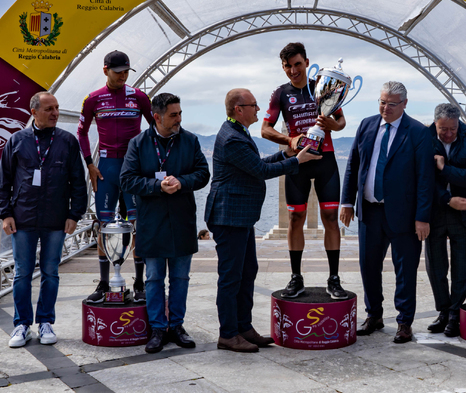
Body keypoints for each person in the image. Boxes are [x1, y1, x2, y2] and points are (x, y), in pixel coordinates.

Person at [205, 88, 319, 353]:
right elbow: (260, 170)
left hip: (240, 217)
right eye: (254, 105)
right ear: (239, 109)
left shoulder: (237, 132)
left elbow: (255, 163)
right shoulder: (232, 138)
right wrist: (297, 162)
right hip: (229, 216)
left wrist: (286, 154)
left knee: (247, 273)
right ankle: (228, 334)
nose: (258, 109)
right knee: (231, 278)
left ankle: (244, 328)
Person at [341, 81, 434, 344]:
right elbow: (353, 165)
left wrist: (422, 217)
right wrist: (347, 202)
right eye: (382, 102)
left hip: (405, 215)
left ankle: (404, 322)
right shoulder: (366, 125)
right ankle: (374, 315)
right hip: (369, 212)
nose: (386, 108)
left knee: (405, 270)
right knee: (368, 267)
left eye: (392, 104)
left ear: (405, 104)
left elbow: (425, 178)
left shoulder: (418, 132)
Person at [120, 93, 210, 353]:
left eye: (180, 113)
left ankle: (177, 326)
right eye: (173, 115)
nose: (179, 119)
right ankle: (158, 328)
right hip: (152, 222)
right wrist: (157, 186)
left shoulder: (190, 140)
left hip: (182, 219)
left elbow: (203, 174)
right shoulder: (138, 143)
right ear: (157, 117)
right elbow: (127, 180)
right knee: (154, 278)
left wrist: (182, 182)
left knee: (180, 278)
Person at [0, 92, 86, 348]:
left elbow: (78, 182)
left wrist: (74, 214)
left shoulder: (67, 141)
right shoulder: (17, 141)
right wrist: (5, 213)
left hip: (56, 219)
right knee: (22, 273)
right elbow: (3, 181)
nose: (55, 113)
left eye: (57, 108)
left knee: (50, 273)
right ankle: (21, 324)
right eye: (49, 109)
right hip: (22, 218)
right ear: (34, 112)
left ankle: (45, 321)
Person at [261, 43, 348, 300]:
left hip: (325, 160)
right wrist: (289, 139)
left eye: (297, 64)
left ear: (307, 62)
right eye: (287, 66)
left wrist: (334, 125)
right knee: (295, 219)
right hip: (296, 162)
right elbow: (265, 129)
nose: (293, 70)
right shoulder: (280, 93)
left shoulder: (322, 86)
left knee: (330, 218)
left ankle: (334, 279)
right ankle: (296, 277)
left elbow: (341, 121)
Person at [77, 50, 154, 304]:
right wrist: (90, 164)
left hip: (133, 167)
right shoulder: (93, 99)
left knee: (138, 223)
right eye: (118, 72)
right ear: (105, 70)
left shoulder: (139, 96)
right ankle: (103, 283)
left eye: (126, 72)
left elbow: (155, 128)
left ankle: (140, 283)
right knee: (104, 224)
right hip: (107, 166)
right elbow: (81, 132)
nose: (123, 77)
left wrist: (148, 160)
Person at [424, 103, 466, 338]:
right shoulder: (424, 138)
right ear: (435, 124)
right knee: (435, 265)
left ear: (459, 124)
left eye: (453, 129)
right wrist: (448, 199)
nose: (448, 134)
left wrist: (444, 168)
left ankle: (456, 313)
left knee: (462, 266)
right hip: (436, 210)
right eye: (443, 129)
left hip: (465, 211)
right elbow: (423, 180)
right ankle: (443, 310)